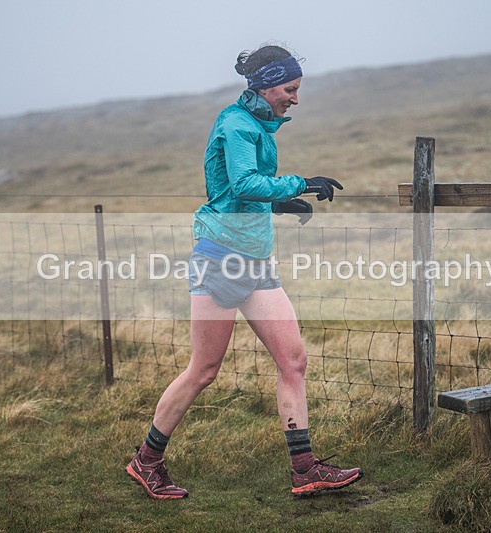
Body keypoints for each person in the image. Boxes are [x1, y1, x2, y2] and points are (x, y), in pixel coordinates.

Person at [126, 43, 362, 499]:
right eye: (290, 89)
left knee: (293, 360)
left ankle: (305, 469)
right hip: (220, 258)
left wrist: (279, 202)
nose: (296, 99)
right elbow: (241, 183)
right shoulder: (237, 124)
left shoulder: (256, 124)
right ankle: (146, 461)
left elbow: (243, 190)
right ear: (267, 85)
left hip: (255, 261)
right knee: (204, 369)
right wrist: (300, 183)